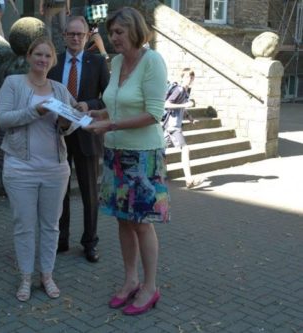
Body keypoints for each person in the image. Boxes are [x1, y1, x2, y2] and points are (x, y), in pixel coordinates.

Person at [85, 7, 170, 315]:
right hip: (115, 153)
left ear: (135, 30)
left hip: (143, 156)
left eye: (119, 32)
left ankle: (150, 287)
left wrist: (111, 125)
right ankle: (130, 279)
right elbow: (118, 104)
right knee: (123, 219)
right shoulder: (118, 61)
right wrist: (99, 113)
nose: (113, 38)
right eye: (112, 33)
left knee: (141, 222)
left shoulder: (152, 62)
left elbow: (154, 113)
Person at [0, 36, 76, 302]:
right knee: (24, 225)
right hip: (20, 167)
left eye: (48, 56)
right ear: (29, 56)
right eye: (38, 55)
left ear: (53, 60)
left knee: (51, 225)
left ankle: (47, 275)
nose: (43, 60)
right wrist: (35, 111)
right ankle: (26, 277)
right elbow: (2, 119)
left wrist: (67, 123)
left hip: (55, 168)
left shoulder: (60, 89)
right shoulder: (14, 83)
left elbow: (72, 122)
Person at [48, 16, 109, 263]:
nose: (75, 38)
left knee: (89, 193)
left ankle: (89, 242)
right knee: (60, 192)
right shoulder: (54, 62)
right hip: (59, 135)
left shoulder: (98, 62)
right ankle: (61, 240)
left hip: (86, 134)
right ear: (64, 36)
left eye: (80, 34)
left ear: (87, 36)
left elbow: (109, 98)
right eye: (71, 34)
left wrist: (90, 104)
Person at [162, 68, 203, 189]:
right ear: (182, 78)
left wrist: (190, 117)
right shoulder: (179, 89)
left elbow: (181, 108)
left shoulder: (186, 91)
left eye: (191, 77)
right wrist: (184, 105)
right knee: (186, 149)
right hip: (172, 126)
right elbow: (167, 104)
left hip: (168, 126)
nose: (189, 79)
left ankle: (161, 178)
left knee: (160, 151)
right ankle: (189, 180)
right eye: (187, 77)